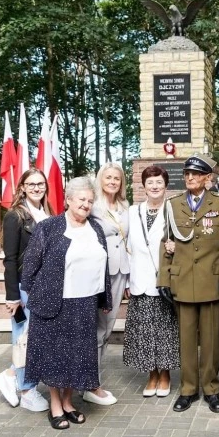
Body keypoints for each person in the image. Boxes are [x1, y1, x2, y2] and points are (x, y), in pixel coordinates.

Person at [22, 176, 113, 430]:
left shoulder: (95, 228)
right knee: (53, 356)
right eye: (81, 199)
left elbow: (103, 264)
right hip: (54, 303)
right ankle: (55, 404)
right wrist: (34, 294)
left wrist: (105, 297)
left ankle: (69, 401)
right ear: (68, 200)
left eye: (90, 201)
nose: (86, 204)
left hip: (84, 303)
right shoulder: (49, 227)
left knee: (76, 354)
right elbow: (30, 265)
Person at [157, 153, 219, 414]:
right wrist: (164, 279)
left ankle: (212, 389)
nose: (190, 178)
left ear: (207, 178)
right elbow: (166, 244)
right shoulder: (173, 204)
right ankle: (189, 389)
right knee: (187, 340)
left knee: (212, 341)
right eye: (187, 174)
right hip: (182, 281)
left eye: (196, 174)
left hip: (211, 282)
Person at [0, 168, 52, 413]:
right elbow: (10, 259)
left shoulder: (46, 214)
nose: (37, 188)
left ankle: (10, 374)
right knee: (24, 339)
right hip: (24, 287)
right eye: (31, 184)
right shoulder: (15, 216)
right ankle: (26, 390)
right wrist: (13, 295)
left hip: (44, 286)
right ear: (23, 187)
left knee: (36, 339)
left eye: (40, 184)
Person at [123, 166, 179, 397]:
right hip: (139, 279)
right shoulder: (133, 211)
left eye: (159, 182)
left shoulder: (174, 210)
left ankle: (165, 375)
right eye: (150, 182)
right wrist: (127, 279)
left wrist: (176, 247)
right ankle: (151, 375)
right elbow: (125, 246)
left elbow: (183, 240)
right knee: (145, 330)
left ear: (166, 185)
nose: (155, 186)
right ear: (143, 186)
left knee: (165, 330)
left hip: (164, 280)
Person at [87, 162, 130, 406]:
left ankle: (94, 380)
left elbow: (128, 242)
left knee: (107, 328)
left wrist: (129, 277)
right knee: (96, 329)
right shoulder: (92, 205)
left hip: (120, 272)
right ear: (100, 179)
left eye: (117, 178)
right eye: (108, 177)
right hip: (97, 274)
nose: (113, 182)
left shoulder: (125, 206)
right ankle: (90, 382)